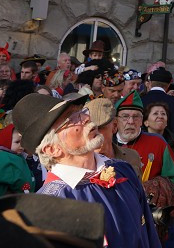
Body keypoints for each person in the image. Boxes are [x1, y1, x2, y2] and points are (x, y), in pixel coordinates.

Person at [19, 92, 161, 247]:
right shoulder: (49, 208)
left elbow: (149, 236)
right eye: (71, 119)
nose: (86, 118)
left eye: (81, 112)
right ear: (53, 149)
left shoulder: (122, 170)